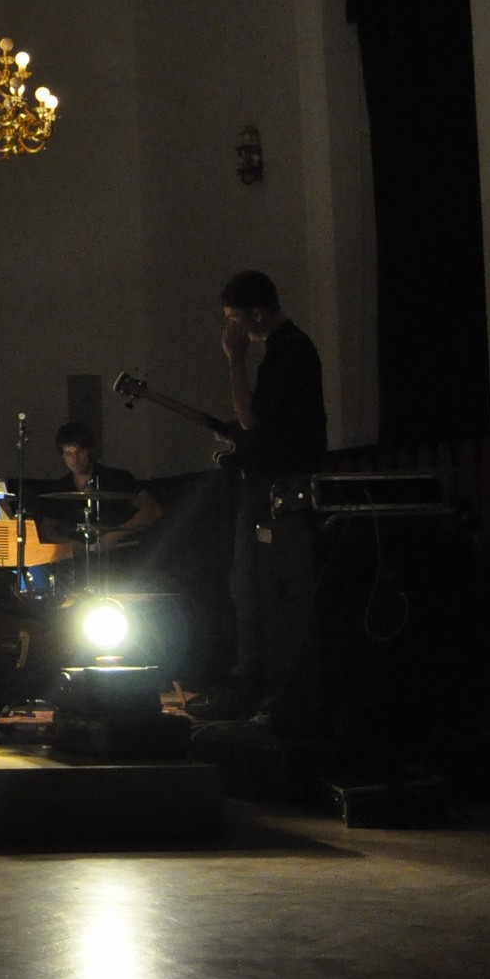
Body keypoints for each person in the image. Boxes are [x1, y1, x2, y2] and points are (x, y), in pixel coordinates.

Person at [194, 269, 328, 726]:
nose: (231, 328)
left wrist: (235, 359)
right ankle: (256, 684)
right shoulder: (289, 349)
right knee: (250, 586)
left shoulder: (288, 351)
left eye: (234, 318)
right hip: (276, 482)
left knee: (262, 589)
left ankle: (265, 687)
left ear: (255, 312)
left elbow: (253, 419)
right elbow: (268, 426)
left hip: (280, 488)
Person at [45, 420, 162, 555]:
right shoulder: (60, 487)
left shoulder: (118, 478)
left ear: (90, 450)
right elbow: (46, 529)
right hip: (77, 560)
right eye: (68, 454)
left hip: (119, 556)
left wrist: (116, 534)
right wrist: (69, 545)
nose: (75, 460)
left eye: (80, 452)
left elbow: (153, 511)